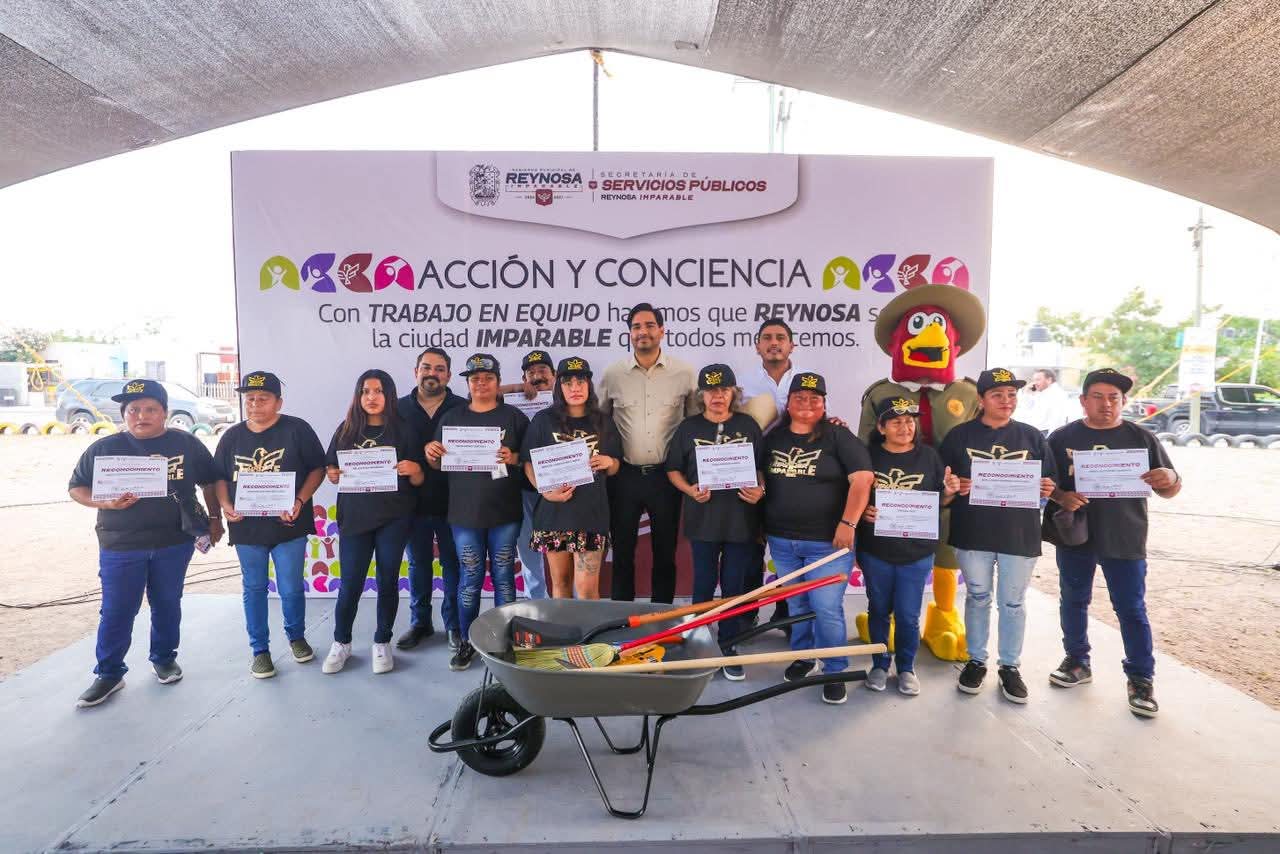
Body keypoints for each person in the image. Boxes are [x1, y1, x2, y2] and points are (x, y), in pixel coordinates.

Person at [68, 379, 223, 708]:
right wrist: (105, 503)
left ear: (164, 412)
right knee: (117, 609)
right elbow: (76, 488)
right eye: (133, 409)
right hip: (121, 543)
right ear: (124, 414)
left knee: (167, 603)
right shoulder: (104, 448)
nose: (141, 416)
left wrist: (214, 518)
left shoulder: (186, 443)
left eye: (150, 409)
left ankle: (164, 658)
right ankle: (109, 673)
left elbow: (210, 482)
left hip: (174, 541)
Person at [1043, 368, 1181, 718]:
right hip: (1076, 535)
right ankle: (1077, 661)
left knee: (1131, 608)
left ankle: (1141, 678)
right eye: (1098, 397)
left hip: (1125, 535)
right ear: (1083, 400)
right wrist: (1061, 496)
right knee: (1073, 599)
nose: (1106, 404)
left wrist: (1170, 477)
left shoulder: (1141, 437)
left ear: (1124, 401)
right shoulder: (1061, 438)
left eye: (1114, 398)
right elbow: (1044, 483)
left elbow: (1169, 489)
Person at [940, 368, 1058, 704]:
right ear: (981, 399)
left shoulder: (1032, 437)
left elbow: (1050, 482)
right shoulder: (959, 437)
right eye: (997, 395)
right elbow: (941, 485)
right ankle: (976, 660)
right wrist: (952, 487)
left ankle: (1010, 666)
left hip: (1019, 534)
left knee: (1013, 602)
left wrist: (1047, 488)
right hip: (972, 531)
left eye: (1011, 395)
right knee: (977, 597)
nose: (1006, 401)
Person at [759, 372, 873, 705]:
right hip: (782, 541)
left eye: (815, 398)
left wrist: (848, 523)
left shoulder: (838, 436)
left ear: (824, 404)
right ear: (788, 402)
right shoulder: (774, 437)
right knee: (797, 604)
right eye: (800, 397)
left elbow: (863, 480)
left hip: (828, 543)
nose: (807, 403)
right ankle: (804, 657)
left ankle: (835, 669)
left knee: (826, 608)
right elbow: (759, 471)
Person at [213, 371, 326, 679]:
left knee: (291, 587)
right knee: (254, 588)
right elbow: (219, 476)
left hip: (289, 525)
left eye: (263, 398)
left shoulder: (297, 429)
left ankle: (296, 637)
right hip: (247, 528)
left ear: (279, 402)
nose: (255, 404)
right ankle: (260, 651)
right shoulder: (232, 436)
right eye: (249, 399)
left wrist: (300, 500)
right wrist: (225, 505)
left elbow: (317, 469)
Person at [426, 353, 529, 671]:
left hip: (505, 512)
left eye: (488, 378)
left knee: (503, 576)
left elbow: (530, 459)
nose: (481, 383)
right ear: (468, 383)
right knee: (470, 578)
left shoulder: (514, 417)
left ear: (498, 382)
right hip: (464, 514)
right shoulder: (451, 418)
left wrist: (513, 458)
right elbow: (437, 463)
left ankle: (504, 641)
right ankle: (467, 641)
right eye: (475, 379)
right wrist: (430, 454)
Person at [665, 364, 765, 680]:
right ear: (701, 395)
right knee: (703, 585)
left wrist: (760, 489)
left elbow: (761, 467)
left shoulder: (747, 425)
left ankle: (728, 645)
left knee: (734, 586)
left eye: (723, 390)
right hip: (703, 519)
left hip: (740, 520)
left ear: (734, 393)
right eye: (710, 390)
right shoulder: (688, 428)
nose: (717, 396)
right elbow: (672, 469)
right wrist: (689, 490)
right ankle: (698, 642)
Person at [321, 370, 423, 675]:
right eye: (365, 391)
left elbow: (419, 479)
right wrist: (332, 474)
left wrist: (415, 469)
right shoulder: (346, 430)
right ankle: (342, 642)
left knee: (387, 580)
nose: (371, 397)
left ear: (389, 395)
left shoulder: (404, 429)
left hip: (394, 517)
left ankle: (382, 641)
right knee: (350, 583)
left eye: (378, 391)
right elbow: (331, 468)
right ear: (358, 396)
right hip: (355, 518)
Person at [598, 303, 699, 603]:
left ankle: (662, 617)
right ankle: (620, 619)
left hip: (665, 477)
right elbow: (600, 421)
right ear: (629, 333)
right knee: (622, 553)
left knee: (665, 552)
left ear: (662, 331)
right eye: (636, 327)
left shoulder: (684, 373)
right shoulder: (613, 374)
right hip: (624, 477)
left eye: (649, 325)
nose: (643, 332)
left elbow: (694, 424)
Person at [857, 396, 956, 696]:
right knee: (878, 610)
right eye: (896, 422)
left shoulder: (930, 457)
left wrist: (950, 492)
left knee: (908, 615)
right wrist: (863, 511)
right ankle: (878, 664)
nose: (905, 427)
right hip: (876, 551)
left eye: (909, 421)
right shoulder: (867, 456)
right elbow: (852, 495)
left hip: (917, 552)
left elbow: (940, 500)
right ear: (881, 427)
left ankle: (906, 668)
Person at [520, 356, 621, 598]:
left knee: (586, 589)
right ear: (559, 387)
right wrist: (545, 491)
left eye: (581, 382)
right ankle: (564, 626)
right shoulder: (543, 420)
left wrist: (609, 462)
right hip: (554, 513)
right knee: (561, 584)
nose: (575, 388)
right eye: (568, 383)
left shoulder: (604, 421)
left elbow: (616, 465)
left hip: (591, 514)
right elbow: (528, 462)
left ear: (589, 385)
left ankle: (590, 626)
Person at [394, 348, 466, 653]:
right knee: (418, 563)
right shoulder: (397, 409)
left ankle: (454, 625)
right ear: (416, 372)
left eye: (439, 369)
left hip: (455, 501)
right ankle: (420, 622)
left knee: (453, 564)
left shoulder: (463, 407)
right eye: (426, 367)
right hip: (411, 502)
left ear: (448, 375)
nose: (431, 373)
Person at [500, 349, 555, 600]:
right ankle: (537, 602)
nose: (537, 376)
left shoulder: (567, 399)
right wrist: (516, 388)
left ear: (554, 375)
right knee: (528, 549)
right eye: (531, 373)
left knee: (567, 549)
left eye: (542, 370)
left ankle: (572, 606)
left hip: (560, 485)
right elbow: (475, 395)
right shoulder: (514, 400)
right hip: (523, 486)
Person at [1020, 368, 1074, 434]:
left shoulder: (1057, 394)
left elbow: (1057, 420)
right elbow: (1027, 407)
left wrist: (1051, 437)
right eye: (1034, 380)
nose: (1034, 383)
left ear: (1049, 380)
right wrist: (1026, 392)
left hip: (1046, 433)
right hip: (1037, 431)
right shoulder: (1042, 393)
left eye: (1038, 380)